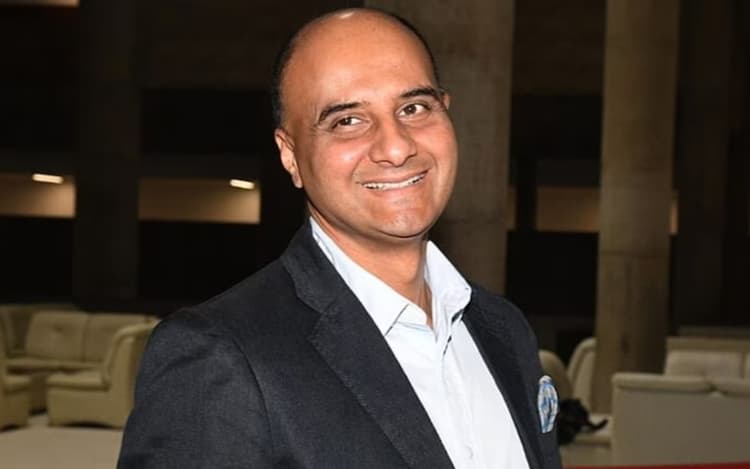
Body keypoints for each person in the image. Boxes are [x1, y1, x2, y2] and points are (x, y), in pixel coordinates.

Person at [118, 8, 561, 469]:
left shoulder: (503, 329)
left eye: (414, 108)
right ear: (290, 155)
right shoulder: (219, 356)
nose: (396, 147)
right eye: (348, 120)